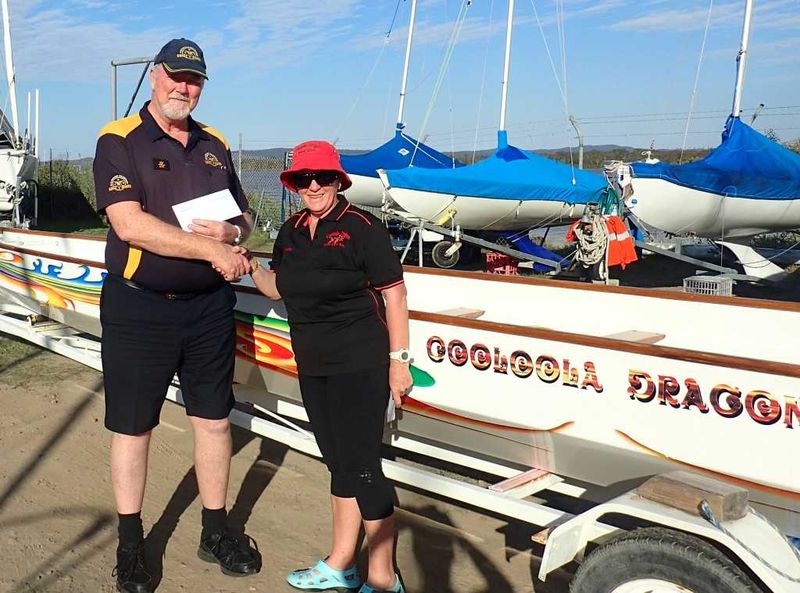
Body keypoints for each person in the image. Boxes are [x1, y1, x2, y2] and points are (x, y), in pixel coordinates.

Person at [93, 38, 261, 593]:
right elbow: (129, 225)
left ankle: (214, 530)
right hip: (139, 308)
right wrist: (212, 252)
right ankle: (130, 544)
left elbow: (247, 217)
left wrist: (232, 234)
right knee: (133, 428)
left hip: (210, 308)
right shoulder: (119, 140)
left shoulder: (214, 144)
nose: (183, 88)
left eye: (194, 81)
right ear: (155, 75)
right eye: (175, 76)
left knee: (214, 420)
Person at [247, 141, 412, 593]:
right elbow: (277, 288)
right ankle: (341, 564)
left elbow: (394, 295)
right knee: (337, 462)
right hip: (313, 363)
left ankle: (383, 577)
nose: (313, 185)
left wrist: (399, 363)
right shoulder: (292, 230)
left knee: (362, 467)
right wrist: (247, 264)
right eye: (303, 178)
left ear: (339, 181)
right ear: (294, 185)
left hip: (360, 362)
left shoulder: (362, 227)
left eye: (321, 177)